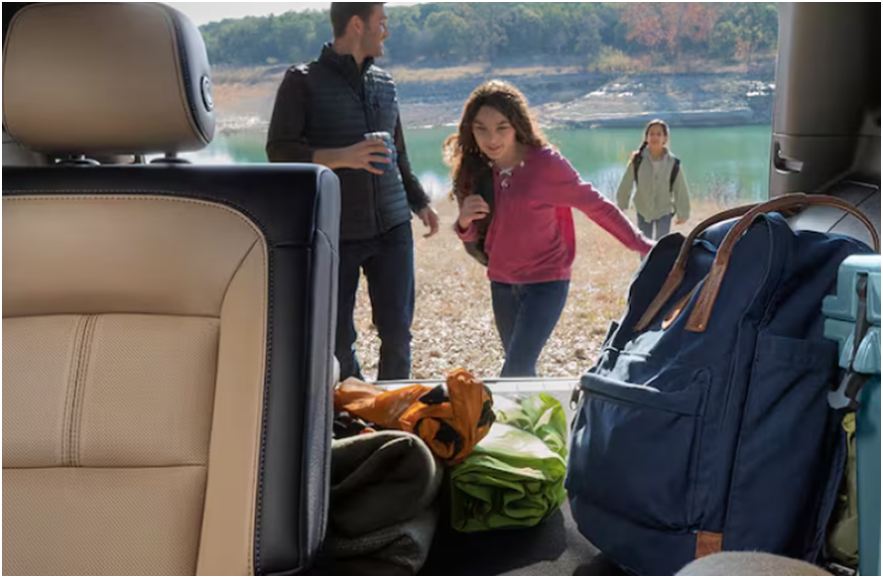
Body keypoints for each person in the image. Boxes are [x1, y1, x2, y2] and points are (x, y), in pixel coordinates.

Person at [267, 2, 440, 381]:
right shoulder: (301, 81)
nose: (386, 31)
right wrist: (343, 156)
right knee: (338, 340)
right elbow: (279, 151)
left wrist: (420, 202)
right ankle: (354, 405)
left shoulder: (386, 84)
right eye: (382, 22)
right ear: (358, 24)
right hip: (335, 230)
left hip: (393, 228)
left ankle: (394, 407)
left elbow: (399, 153)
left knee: (398, 334)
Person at [447, 80, 654, 378]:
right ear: (471, 129)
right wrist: (464, 222)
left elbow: (597, 206)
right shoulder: (475, 169)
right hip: (501, 282)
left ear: (517, 125)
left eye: (502, 127)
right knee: (520, 368)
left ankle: (529, 410)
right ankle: (533, 411)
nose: (491, 138)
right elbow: (474, 236)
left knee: (515, 369)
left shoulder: (546, 165)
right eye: (481, 129)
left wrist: (643, 245)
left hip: (546, 281)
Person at [616, 119, 692, 240]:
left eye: (659, 134)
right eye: (651, 134)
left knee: (661, 244)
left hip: (664, 210)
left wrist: (683, 213)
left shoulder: (673, 162)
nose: (655, 137)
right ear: (646, 137)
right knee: (644, 243)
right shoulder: (637, 160)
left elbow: (680, 188)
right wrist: (621, 203)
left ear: (665, 138)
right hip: (643, 209)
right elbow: (626, 182)